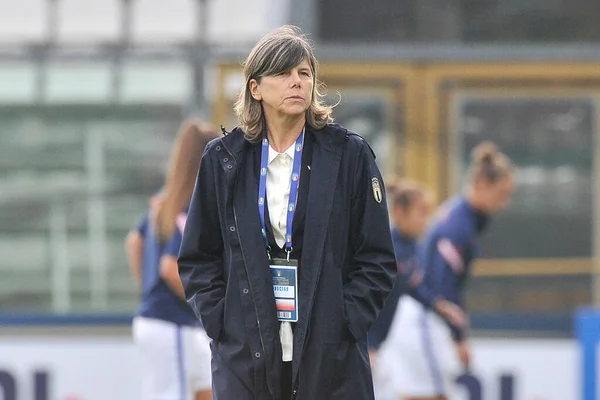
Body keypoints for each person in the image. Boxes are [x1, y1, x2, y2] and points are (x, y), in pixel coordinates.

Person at [178, 25, 396, 400]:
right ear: (256, 88)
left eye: (304, 73)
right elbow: (198, 256)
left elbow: (376, 256)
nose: (296, 82)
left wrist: (344, 322)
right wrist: (223, 322)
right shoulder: (223, 160)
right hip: (246, 351)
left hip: (329, 353)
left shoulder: (348, 155)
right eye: (283, 73)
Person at [379, 142, 514, 400]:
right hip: (425, 318)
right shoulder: (459, 226)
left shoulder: (465, 216)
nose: (504, 203)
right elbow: (444, 283)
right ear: (482, 184)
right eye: (501, 193)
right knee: (435, 395)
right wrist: (459, 336)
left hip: (424, 317)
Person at [125, 119, 219, 400]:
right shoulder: (190, 204)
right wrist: (208, 305)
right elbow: (170, 268)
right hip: (172, 323)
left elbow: (135, 242)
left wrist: (147, 291)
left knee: (208, 388)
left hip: (166, 322)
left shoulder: (165, 201)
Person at [368, 179, 466, 400]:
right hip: (370, 342)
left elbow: (413, 286)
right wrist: (368, 343)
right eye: (421, 212)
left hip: (383, 342)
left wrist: (438, 306)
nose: (426, 220)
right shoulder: (383, 248)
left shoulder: (412, 247)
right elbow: (370, 299)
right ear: (400, 212)